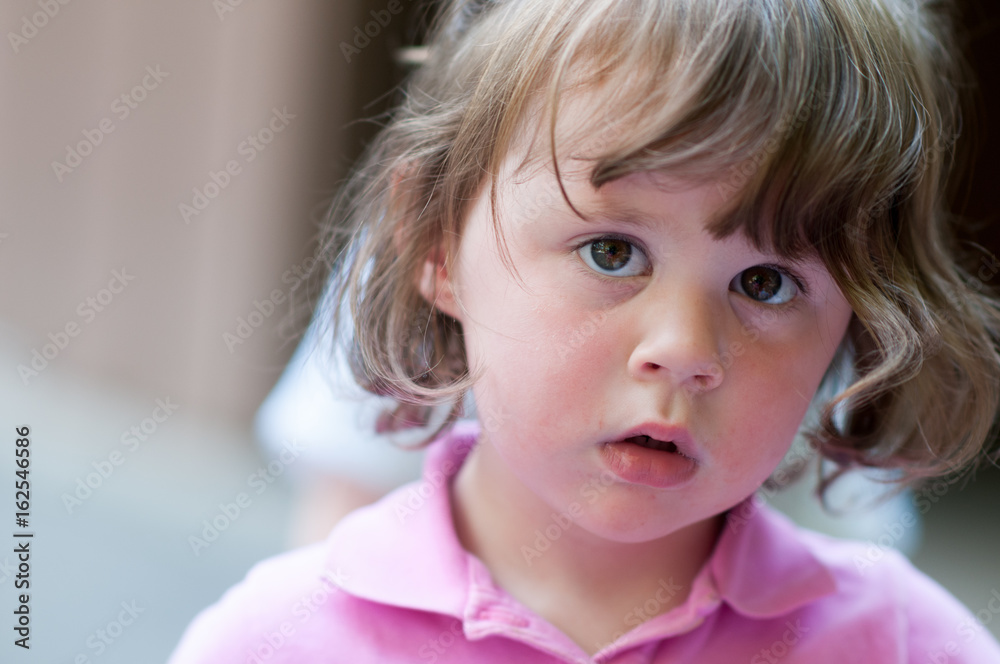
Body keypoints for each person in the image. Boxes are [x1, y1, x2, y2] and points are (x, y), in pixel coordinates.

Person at [170, 0, 1000, 661]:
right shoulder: (274, 640)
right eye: (612, 252)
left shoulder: (906, 645)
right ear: (433, 242)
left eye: (766, 282)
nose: (682, 348)